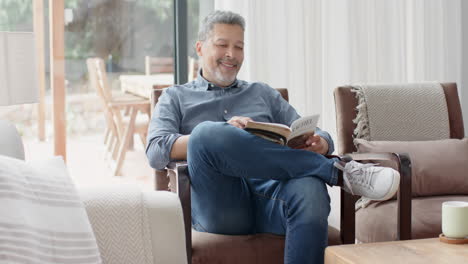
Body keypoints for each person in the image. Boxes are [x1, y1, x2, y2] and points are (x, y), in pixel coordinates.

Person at [146, 10, 400, 264]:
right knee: (206, 134)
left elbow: (309, 129)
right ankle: (338, 172)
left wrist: (321, 143)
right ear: (200, 48)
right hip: (221, 205)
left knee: (310, 187)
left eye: (239, 47)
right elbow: (156, 150)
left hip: (274, 198)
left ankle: (332, 171)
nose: (231, 55)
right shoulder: (176, 97)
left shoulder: (263, 94)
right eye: (222, 45)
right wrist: (220, 136)